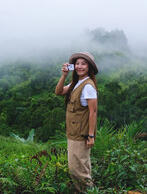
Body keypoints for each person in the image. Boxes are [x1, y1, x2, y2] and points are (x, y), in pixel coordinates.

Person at [55, 51, 98, 193]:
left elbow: (93, 112)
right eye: (77, 63)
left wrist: (90, 135)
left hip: (81, 134)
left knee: (78, 171)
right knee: (79, 168)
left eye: (83, 64)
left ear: (89, 67)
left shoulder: (88, 86)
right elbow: (59, 91)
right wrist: (64, 75)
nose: (79, 66)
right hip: (73, 132)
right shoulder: (76, 83)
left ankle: (88, 191)